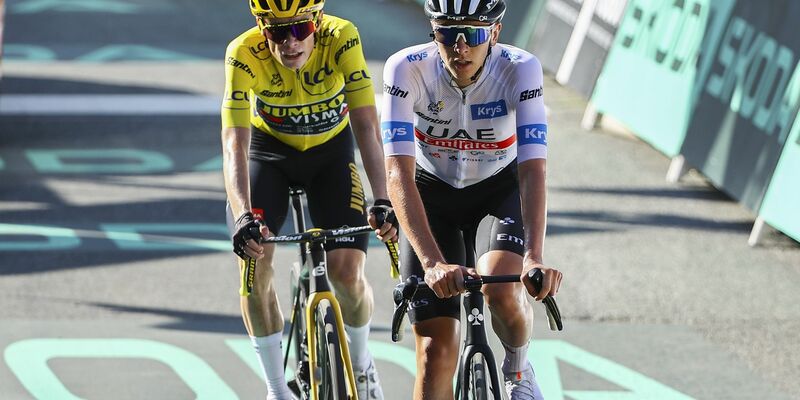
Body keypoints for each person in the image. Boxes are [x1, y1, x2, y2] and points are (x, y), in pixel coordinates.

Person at [378, 0, 563, 398]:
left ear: (494, 34)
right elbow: (397, 172)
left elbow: (533, 169)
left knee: (502, 291)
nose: (460, 47)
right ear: (433, 32)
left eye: (474, 34)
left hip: (497, 189)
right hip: (431, 194)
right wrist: (430, 263)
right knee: (434, 355)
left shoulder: (520, 68)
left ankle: (518, 371)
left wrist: (533, 256)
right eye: (447, 33)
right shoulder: (405, 68)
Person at [221, 0, 393, 398]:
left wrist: (382, 197)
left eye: (299, 29)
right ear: (262, 29)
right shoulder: (243, 52)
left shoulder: (342, 36)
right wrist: (244, 214)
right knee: (255, 259)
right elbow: (234, 142)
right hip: (270, 155)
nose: (290, 42)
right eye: (277, 31)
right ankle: (277, 388)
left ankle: (363, 363)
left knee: (347, 274)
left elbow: (367, 123)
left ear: (317, 22)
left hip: (330, 155)